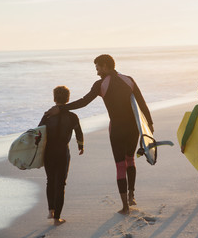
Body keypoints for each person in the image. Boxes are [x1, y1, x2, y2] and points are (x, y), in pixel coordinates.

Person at [45, 54, 153, 215]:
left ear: (105, 66)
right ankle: (131, 195)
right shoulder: (129, 80)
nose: (97, 72)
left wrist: (60, 108)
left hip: (117, 129)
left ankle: (125, 206)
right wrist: (149, 125)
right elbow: (142, 103)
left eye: (98, 68)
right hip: (133, 128)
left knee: (120, 165)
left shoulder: (101, 84)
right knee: (130, 159)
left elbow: (83, 102)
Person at [39, 86, 84, 225]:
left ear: (54, 98)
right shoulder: (72, 116)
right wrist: (80, 145)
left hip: (49, 152)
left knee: (50, 181)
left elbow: (38, 132)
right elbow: (79, 133)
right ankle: (57, 217)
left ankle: (50, 210)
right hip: (63, 152)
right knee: (61, 184)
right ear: (68, 99)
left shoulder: (47, 115)